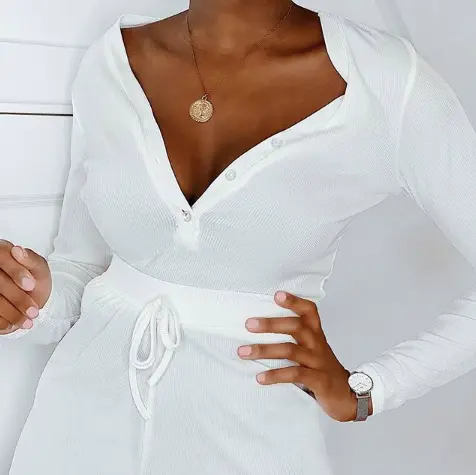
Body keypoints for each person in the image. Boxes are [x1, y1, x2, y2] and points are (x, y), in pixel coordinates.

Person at [1, 1, 475, 474]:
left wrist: (369, 390)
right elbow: (81, 270)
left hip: (251, 443)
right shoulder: (110, 62)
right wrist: (27, 297)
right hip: (73, 432)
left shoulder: (386, 84)